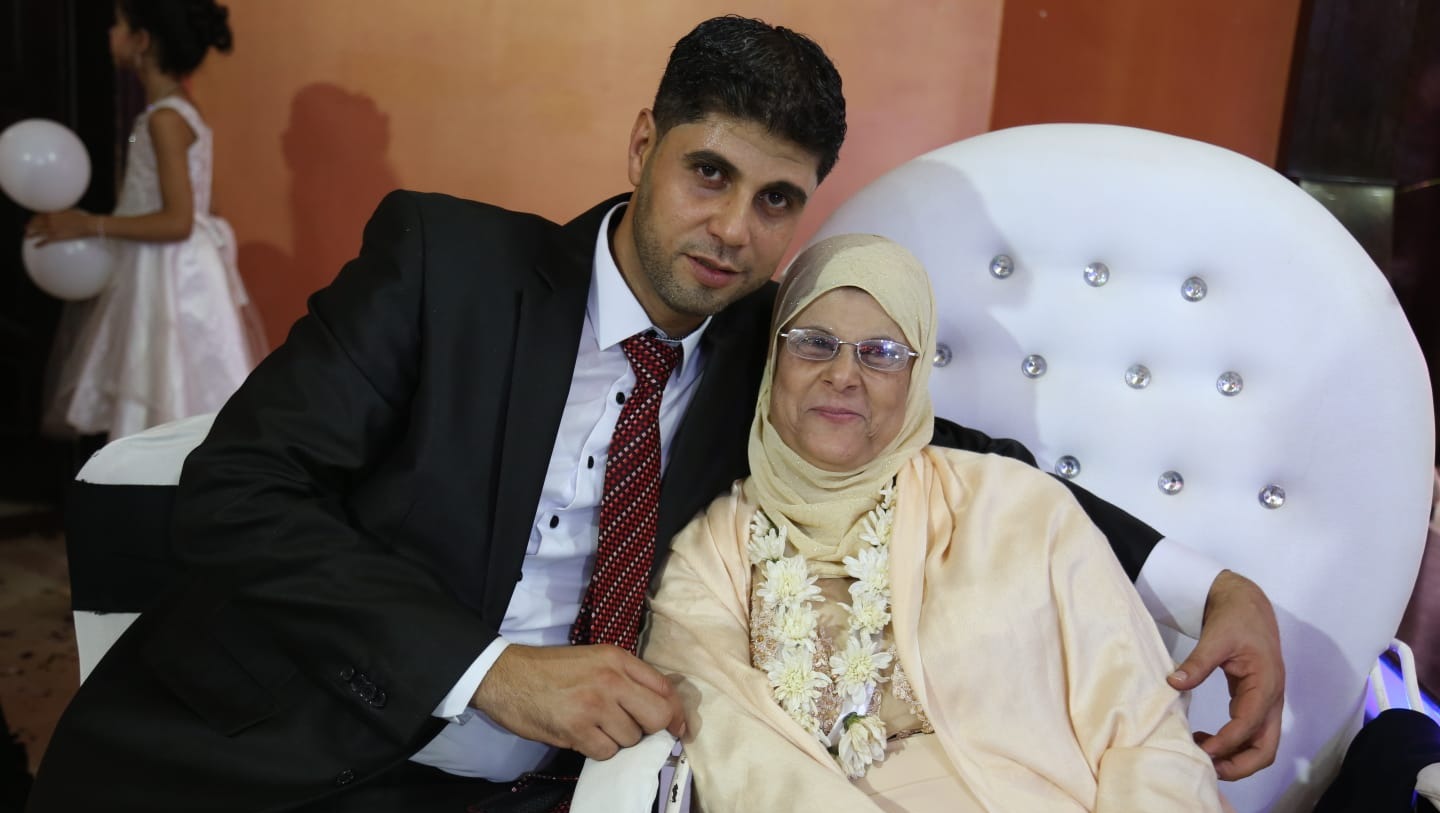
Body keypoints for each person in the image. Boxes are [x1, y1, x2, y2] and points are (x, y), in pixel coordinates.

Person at [28, 15, 1277, 813]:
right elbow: (238, 492)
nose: (734, 230)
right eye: (709, 173)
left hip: (553, 794)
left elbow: (949, 449)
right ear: (644, 145)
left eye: (778, 201)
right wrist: (489, 672)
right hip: (282, 748)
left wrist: (1206, 582)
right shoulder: (446, 267)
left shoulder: (769, 353)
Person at [642, 233, 1224, 811]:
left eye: (881, 353)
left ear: (916, 377)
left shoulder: (1020, 508)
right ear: (774, 361)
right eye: (815, 344)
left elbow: (1146, 733)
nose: (843, 374)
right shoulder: (709, 552)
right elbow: (732, 749)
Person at [27, 0, 262, 442]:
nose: (109, 33)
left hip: (170, 274)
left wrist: (88, 225)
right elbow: (199, 206)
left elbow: (178, 221)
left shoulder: (166, 119)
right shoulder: (172, 111)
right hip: (165, 266)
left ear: (142, 41)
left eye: (118, 25)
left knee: (166, 386)